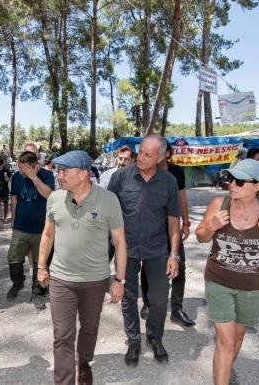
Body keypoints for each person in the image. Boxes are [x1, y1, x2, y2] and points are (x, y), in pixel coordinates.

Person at [37, 150, 127, 385]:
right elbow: (48, 234)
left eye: (64, 171)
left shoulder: (108, 200)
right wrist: (41, 267)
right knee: (62, 336)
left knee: (89, 328)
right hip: (61, 279)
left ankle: (84, 362)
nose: (59, 175)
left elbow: (119, 242)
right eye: (58, 170)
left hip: (95, 281)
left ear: (83, 173)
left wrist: (119, 280)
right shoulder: (55, 198)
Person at [195, 159, 259, 385]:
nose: (232, 185)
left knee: (236, 337)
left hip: (252, 286)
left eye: (240, 181)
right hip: (219, 281)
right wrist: (212, 226)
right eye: (231, 179)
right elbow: (201, 236)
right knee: (226, 341)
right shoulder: (219, 204)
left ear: (257, 186)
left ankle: (225, 370)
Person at [108, 134, 180, 366]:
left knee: (158, 298)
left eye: (148, 155)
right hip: (126, 249)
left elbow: (173, 220)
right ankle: (134, 340)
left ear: (160, 157)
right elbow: (108, 215)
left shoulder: (169, 181)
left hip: (157, 248)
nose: (141, 158)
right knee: (128, 296)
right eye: (140, 152)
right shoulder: (120, 178)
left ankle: (154, 337)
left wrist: (174, 255)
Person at [140, 144, 194, 326]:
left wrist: (185, 223)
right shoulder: (144, 171)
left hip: (172, 226)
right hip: (151, 228)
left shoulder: (176, 172)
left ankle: (177, 309)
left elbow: (182, 198)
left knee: (179, 265)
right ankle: (147, 303)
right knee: (148, 265)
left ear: (167, 154)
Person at [7, 151, 55, 309]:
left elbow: (50, 196)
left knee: (40, 262)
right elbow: (14, 199)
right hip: (20, 226)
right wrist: (13, 221)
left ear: (34, 166)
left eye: (24, 168)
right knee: (13, 259)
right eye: (19, 167)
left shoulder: (46, 175)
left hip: (41, 228)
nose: (21, 171)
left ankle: (38, 293)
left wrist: (34, 177)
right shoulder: (16, 177)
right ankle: (18, 282)